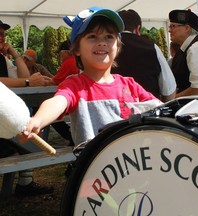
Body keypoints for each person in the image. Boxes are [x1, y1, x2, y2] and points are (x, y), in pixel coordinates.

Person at [21, 6, 160, 147]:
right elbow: (57, 102)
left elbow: (159, 107)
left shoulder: (130, 85)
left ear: (117, 47)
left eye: (109, 37)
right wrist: (37, 120)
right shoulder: (75, 86)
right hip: (94, 166)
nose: (102, 42)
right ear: (76, 49)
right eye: (92, 37)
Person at [0, 20, 53, 198]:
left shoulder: (3, 59)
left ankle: (25, 182)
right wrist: (29, 82)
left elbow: (24, 76)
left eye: (3, 34)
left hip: (7, 128)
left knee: (28, 124)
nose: (2, 37)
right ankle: (25, 182)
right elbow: (24, 80)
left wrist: (15, 54)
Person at [112, 9, 176, 102]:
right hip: (147, 110)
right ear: (138, 29)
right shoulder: (151, 47)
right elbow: (169, 90)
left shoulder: (106, 48)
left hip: (113, 110)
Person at [168, 9, 198, 97]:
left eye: (173, 26)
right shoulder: (185, 49)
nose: (169, 30)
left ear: (187, 28)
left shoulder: (197, 48)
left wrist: (173, 99)